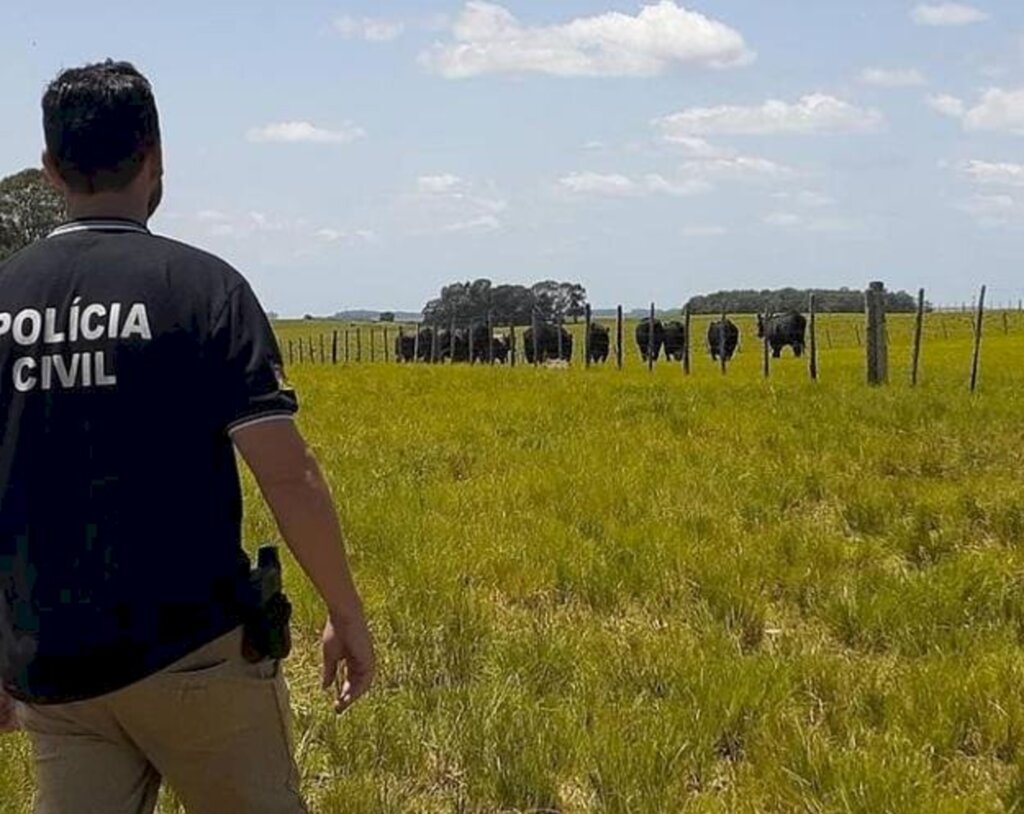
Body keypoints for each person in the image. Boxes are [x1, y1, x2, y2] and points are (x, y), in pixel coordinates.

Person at [0, 60, 375, 813]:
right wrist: (346, 611)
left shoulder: (6, 298)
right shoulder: (202, 288)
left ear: (48, 169)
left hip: (56, 668)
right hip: (194, 658)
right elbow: (287, 473)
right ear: (155, 157)